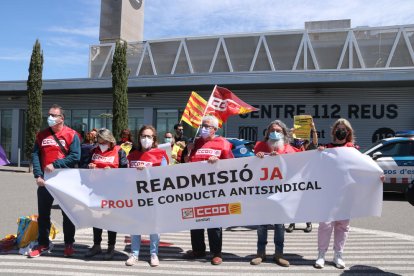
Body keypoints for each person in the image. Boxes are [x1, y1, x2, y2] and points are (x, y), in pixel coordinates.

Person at [29, 104, 81, 258]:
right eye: (49, 115)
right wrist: (38, 175)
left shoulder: (72, 135)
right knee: (44, 214)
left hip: (66, 180)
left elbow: (75, 156)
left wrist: (56, 164)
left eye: (53, 115)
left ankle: (69, 244)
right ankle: (43, 243)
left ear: (61, 118)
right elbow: (35, 156)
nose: (50, 118)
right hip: (46, 181)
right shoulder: (41, 135)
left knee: (67, 213)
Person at [182, 115, 234, 265]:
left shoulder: (223, 143)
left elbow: (232, 166)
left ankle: (216, 252)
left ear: (215, 129)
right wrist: (188, 152)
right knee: (195, 219)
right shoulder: (195, 142)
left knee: (214, 221)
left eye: (207, 126)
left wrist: (219, 163)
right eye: (202, 125)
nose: (203, 128)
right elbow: (186, 164)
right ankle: (198, 249)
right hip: (194, 188)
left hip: (214, 190)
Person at [250, 119, 300, 267]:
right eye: (272, 130)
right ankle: (260, 253)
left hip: (281, 193)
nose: (275, 133)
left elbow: (297, 167)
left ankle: (279, 254)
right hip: (262, 192)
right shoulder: (260, 146)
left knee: (279, 225)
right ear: (267, 133)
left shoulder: (289, 149)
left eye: (278, 130)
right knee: (262, 225)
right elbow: (250, 168)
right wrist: (257, 158)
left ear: (284, 133)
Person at [314, 118, 356, 269]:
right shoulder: (326, 148)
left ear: (348, 132)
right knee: (325, 224)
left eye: (344, 128)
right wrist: (318, 153)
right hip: (328, 192)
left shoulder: (353, 149)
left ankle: (338, 254)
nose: (341, 130)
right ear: (333, 132)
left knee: (342, 225)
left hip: (346, 193)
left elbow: (364, 169)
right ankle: (321, 254)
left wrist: (377, 177)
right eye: (338, 128)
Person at [125, 125, 169, 267]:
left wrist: (147, 171)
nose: (146, 139)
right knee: (135, 225)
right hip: (135, 195)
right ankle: (134, 253)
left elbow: (164, 176)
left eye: (149, 136)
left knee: (153, 225)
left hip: (153, 196)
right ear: (139, 138)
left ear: (154, 139)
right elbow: (126, 175)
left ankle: (154, 253)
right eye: (143, 136)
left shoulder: (161, 154)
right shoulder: (132, 156)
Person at [83, 128, 128, 260]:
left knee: (110, 219)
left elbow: (125, 171)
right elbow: (83, 167)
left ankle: (111, 247)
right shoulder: (93, 150)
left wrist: (114, 171)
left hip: (112, 191)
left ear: (110, 140)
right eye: (99, 140)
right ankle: (96, 245)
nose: (100, 143)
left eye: (103, 141)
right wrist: (89, 167)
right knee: (96, 218)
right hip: (95, 190)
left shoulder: (119, 151)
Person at [286, 120, 318, 233]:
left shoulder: (307, 146)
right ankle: (292, 223)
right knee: (293, 200)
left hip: (306, 177)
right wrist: (290, 133)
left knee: (305, 200)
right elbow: (284, 144)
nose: (298, 138)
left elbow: (315, 142)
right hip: (293, 177)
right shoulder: (290, 146)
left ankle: (308, 223)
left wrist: (313, 128)